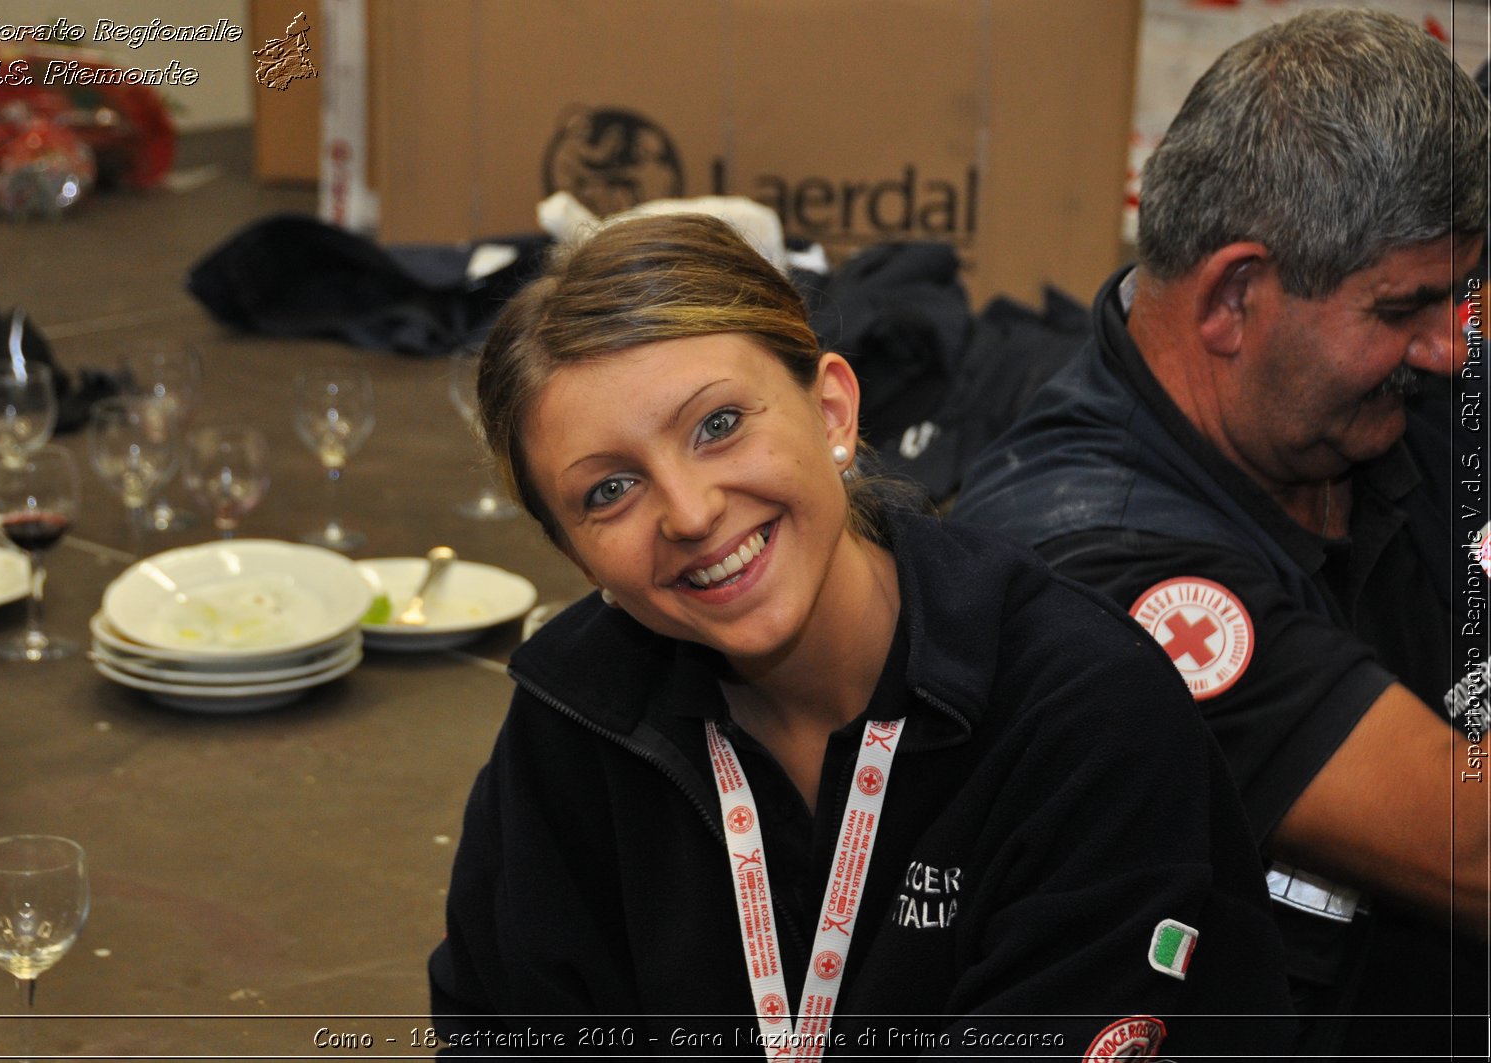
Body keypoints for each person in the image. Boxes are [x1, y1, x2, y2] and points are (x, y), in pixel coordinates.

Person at [427, 213, 1294, 1058]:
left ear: (834, 410)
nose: (690, 513)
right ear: (576, 554)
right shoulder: (572, 722)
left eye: (719, 425)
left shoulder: (1083, 714)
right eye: (609, 490)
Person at [951, 8, 1488, 1056]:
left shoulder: (1370, 407)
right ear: (1233, 297)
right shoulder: (1089, 557)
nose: (1447, 348)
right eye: (1402, 310)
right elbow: (1469, 843)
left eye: (1462, 294)